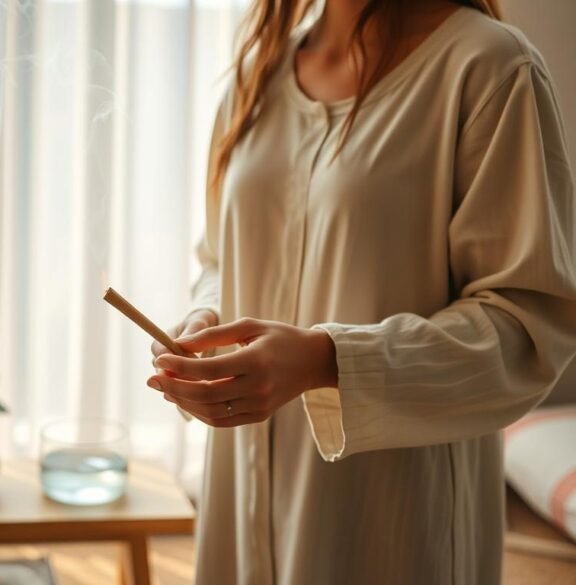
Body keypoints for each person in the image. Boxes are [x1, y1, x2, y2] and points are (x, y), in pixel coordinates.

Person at [147, 1, 576, 583]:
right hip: (241, 504)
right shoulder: (260, 72)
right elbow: (222, 254)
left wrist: (328, 360)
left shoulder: (489, 68)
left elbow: (528, 327)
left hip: (393, 526)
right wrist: (208, 317)